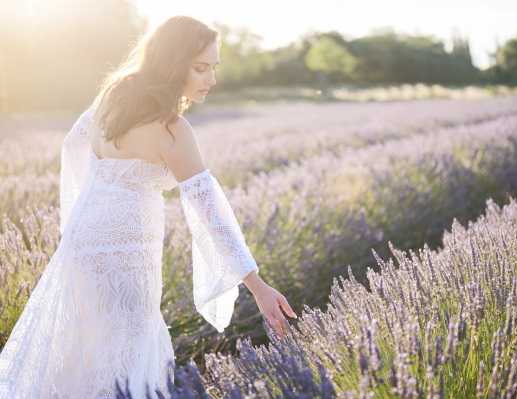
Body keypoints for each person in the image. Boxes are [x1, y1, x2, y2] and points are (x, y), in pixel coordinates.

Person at [0, 15, 297, 398]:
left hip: (83, 240)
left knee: (82, 347)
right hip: (128, 251)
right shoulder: (172, 128)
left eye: (214, 68)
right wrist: (255, 284)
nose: (211, 80)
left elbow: (73, 145)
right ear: (173, 63)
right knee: (128, 351)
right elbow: (209, 209)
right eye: (201, 68)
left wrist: (80, 210)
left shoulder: (112, 100)